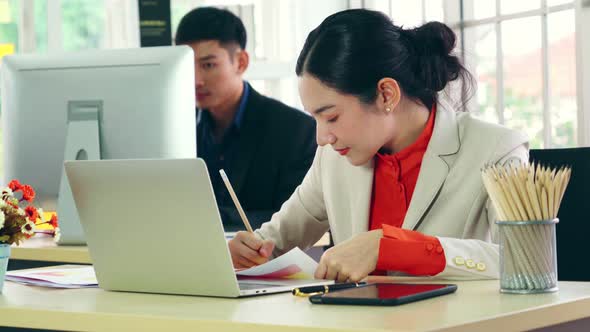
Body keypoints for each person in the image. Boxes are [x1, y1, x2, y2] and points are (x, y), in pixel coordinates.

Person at [228, 9, 528, 282]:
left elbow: (525, 261)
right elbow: (272, 243)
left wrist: (394, 247)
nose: (322, 138)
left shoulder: (497, 149)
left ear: (386, 94)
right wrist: (245, 251)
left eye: (331, 116)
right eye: (315, 118)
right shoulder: (332, 158)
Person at [175, 7, 317, 230]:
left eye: (208, 65)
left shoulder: (296, 131)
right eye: (187, 66)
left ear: (240, 62)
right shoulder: (176, 129)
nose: (196, 80)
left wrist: (216, 218)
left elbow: (299, 220)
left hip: (264, 258)